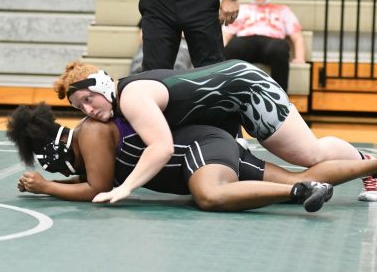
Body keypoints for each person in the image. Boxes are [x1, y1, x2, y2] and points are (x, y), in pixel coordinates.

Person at [54, 59, 375, 203]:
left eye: (88, 99)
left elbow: (161, 148)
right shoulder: (120, 100)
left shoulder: (132, 97)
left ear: (103, 85)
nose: (88, 110)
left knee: (308, 154)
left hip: (248, 90)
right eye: (79, 108)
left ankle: (366, 161)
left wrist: (126, 188)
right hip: (222, 110)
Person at [7, 102, 343, 213]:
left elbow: (97, 187)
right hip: (203, 146)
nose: (47, 166)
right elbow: (93, 180)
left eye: (43, 159)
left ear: (51, 148)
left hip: (199, 149)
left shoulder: (91, 134)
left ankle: (297, 193)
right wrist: (49, 184)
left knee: (210, 195)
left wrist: (47, 187)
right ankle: (366, 164)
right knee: (303, 176)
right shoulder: (86, 140)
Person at [77, 0, 241, 69]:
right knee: (153, 71)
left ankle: (215, 119)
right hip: (158, 2)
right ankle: (156, 119)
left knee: (212, 68)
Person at [223, 0, 306, 92]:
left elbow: (297, 36)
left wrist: (300, 57)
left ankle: (281, 98)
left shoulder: (283, 10)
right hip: (245, 42)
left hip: (272, 43)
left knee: (280, 48)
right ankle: (228, 96)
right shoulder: (241, 9)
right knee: (233, 47)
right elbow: (226, 34)